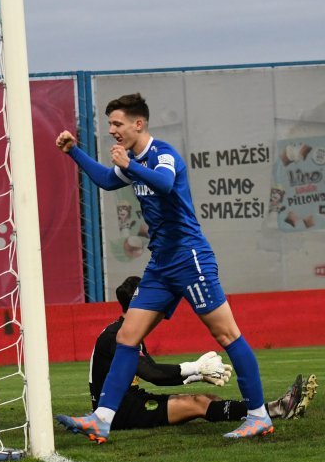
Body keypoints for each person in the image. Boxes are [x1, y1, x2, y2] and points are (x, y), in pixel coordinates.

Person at [55, 92, 274, 441]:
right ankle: (102, 419)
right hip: (161, 265)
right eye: (109, 123)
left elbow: (165, 183)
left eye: (117, 123)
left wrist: (129, 165)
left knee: (226, 335)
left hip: (190, 259)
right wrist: (74, 152)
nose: (112, 130)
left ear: (138, 124)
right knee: (128, 336)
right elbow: (108, 180)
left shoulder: (162, 154)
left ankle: (258, 415)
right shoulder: (133, 162)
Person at [86, 276, 318, 431]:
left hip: (128, 402)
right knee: (198, 404)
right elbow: (154, 374)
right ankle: (278, 408)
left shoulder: (126, 331)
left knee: (210, 399)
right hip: (119, 412)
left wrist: (198, 376)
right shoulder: (118, 337)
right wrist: (196, 368)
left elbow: (152, 371)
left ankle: (269, 410)